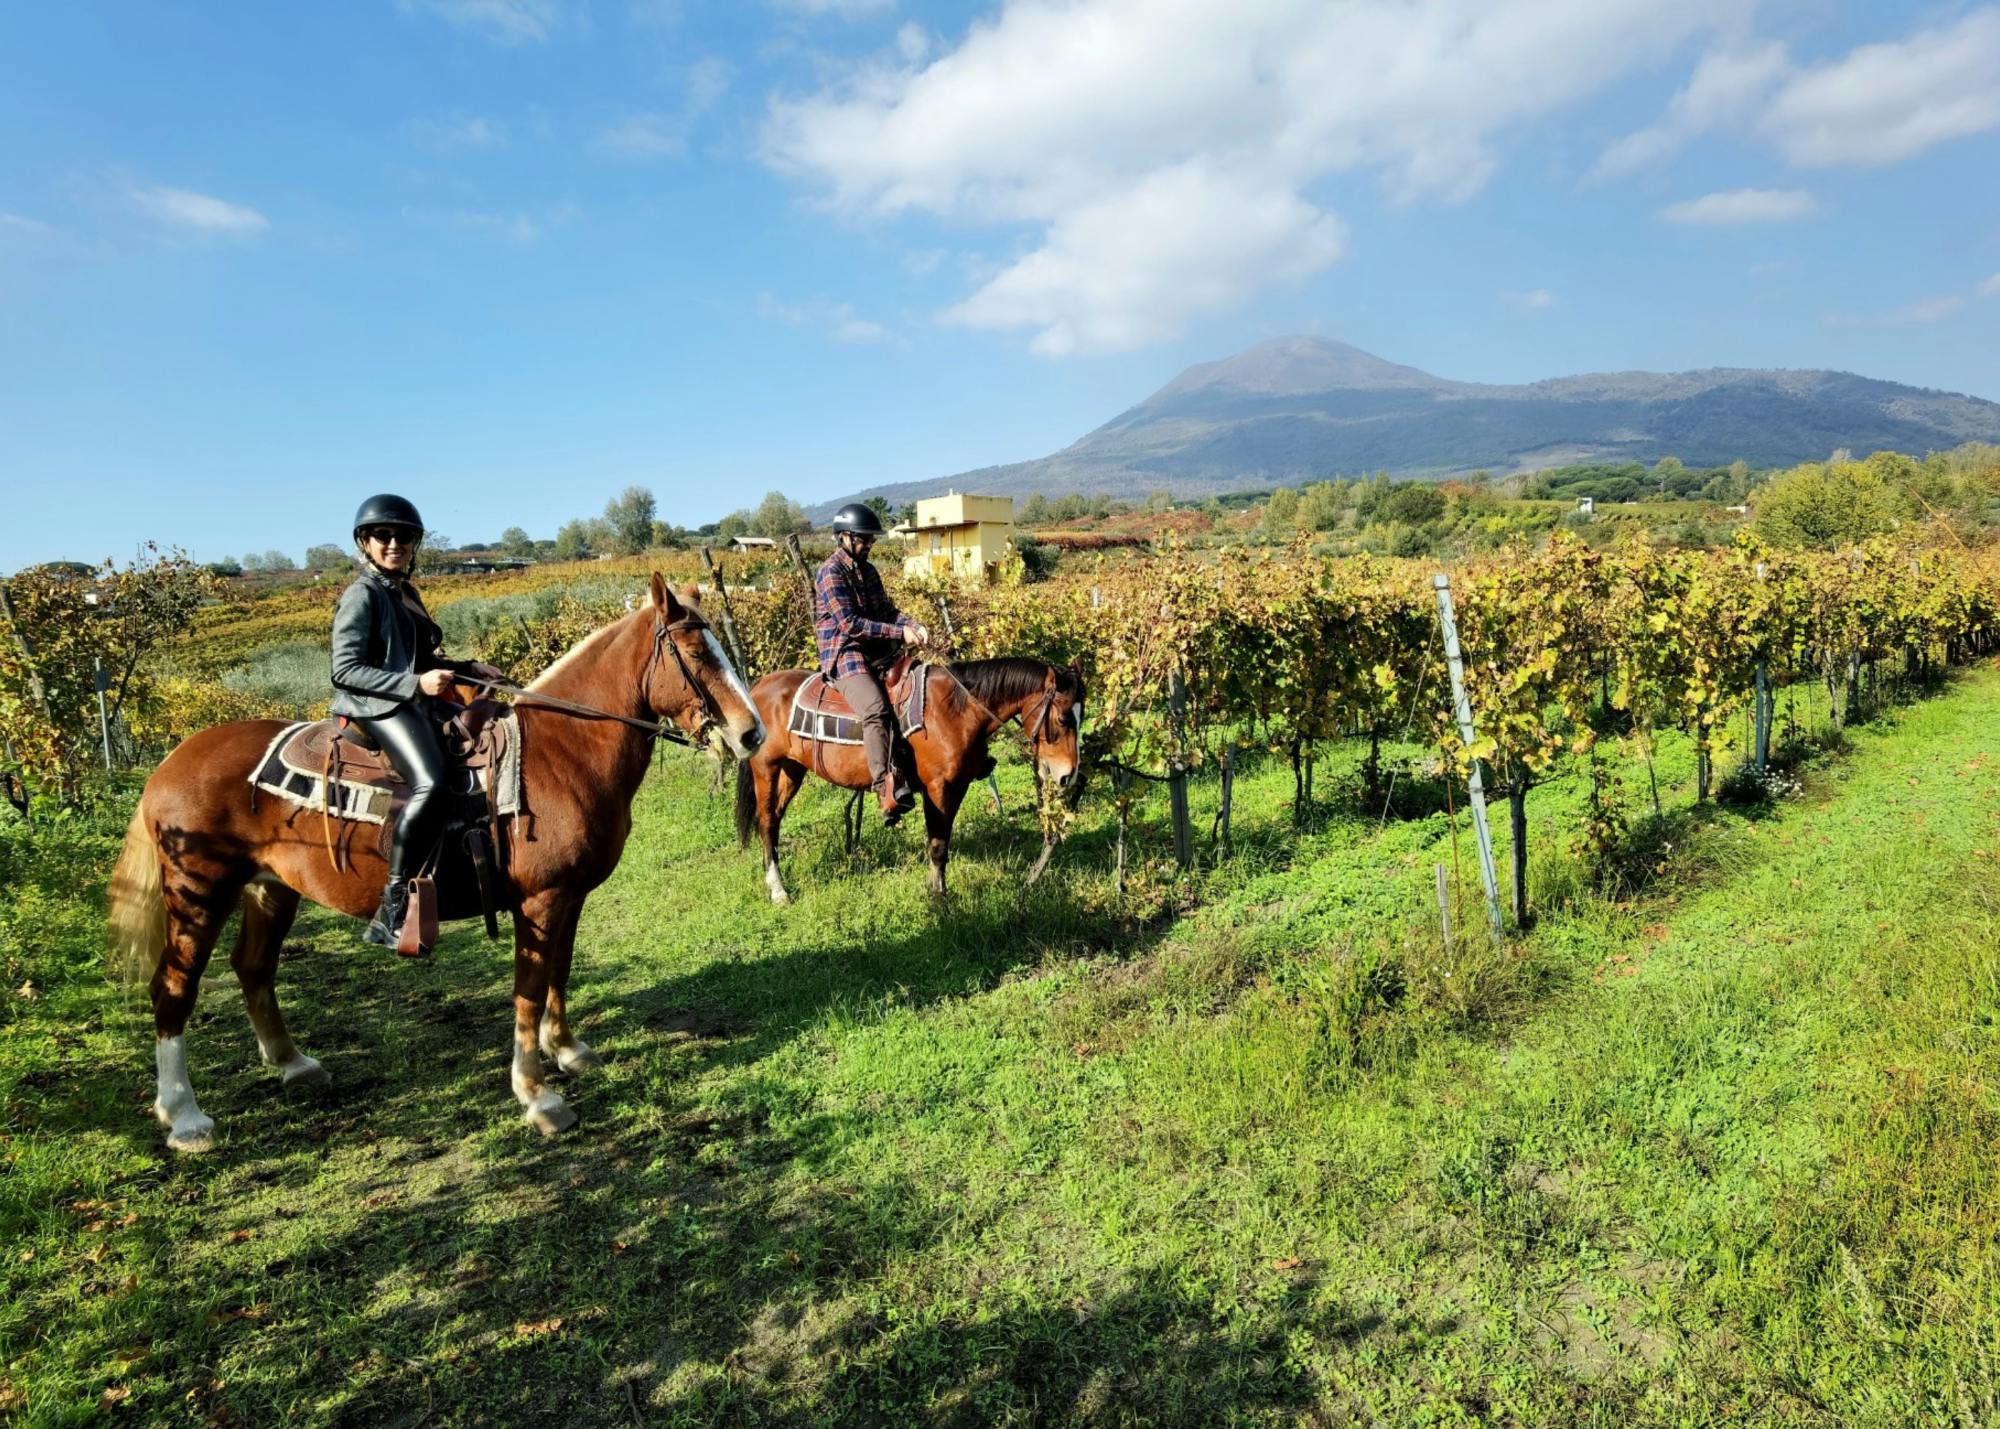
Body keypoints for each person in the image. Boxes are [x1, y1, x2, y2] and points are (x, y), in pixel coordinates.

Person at [329, 494, 504, 947]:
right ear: (365, 542)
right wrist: (415, 685)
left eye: (404, 536)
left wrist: (467, 667)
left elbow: (419, 656)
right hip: (375, 706)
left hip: (411, 699)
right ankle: (393, 902)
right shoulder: (361, 594)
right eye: (383, 536)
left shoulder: (405, 592)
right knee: (431, 780)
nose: (394, 544)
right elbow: (345, 669)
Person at [813, 503, 930, 825]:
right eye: (864, 539)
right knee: (876, 709)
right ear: (844, 538)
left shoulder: (869, 570)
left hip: (877, 648)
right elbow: (850, 623)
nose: (869, 544)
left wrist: (913, 625)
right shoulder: (830, 572)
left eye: (871, 539)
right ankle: (884, 787)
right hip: (845, 652)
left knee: (918, 687)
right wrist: (899, 632)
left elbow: (887, 611)